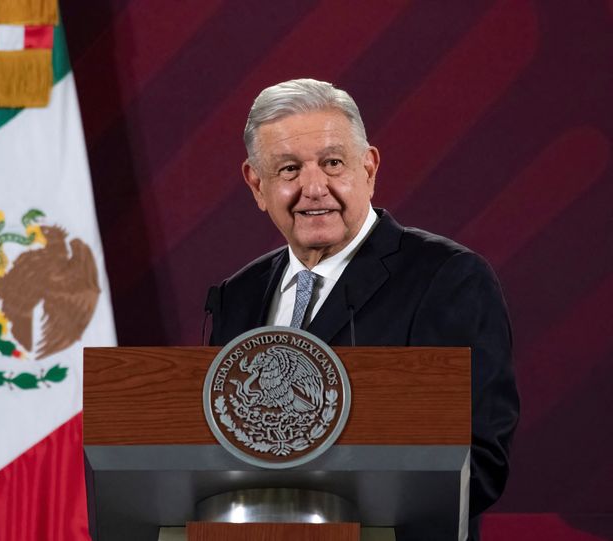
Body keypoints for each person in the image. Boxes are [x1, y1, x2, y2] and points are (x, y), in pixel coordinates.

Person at [206, 78, 519, 540]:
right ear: (257, 184)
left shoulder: (448, 278)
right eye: (288, 170)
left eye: (333, 163)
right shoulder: (239, 294)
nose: (314, 188)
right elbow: (211, 446)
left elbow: (480, 461)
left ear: (368, 168)